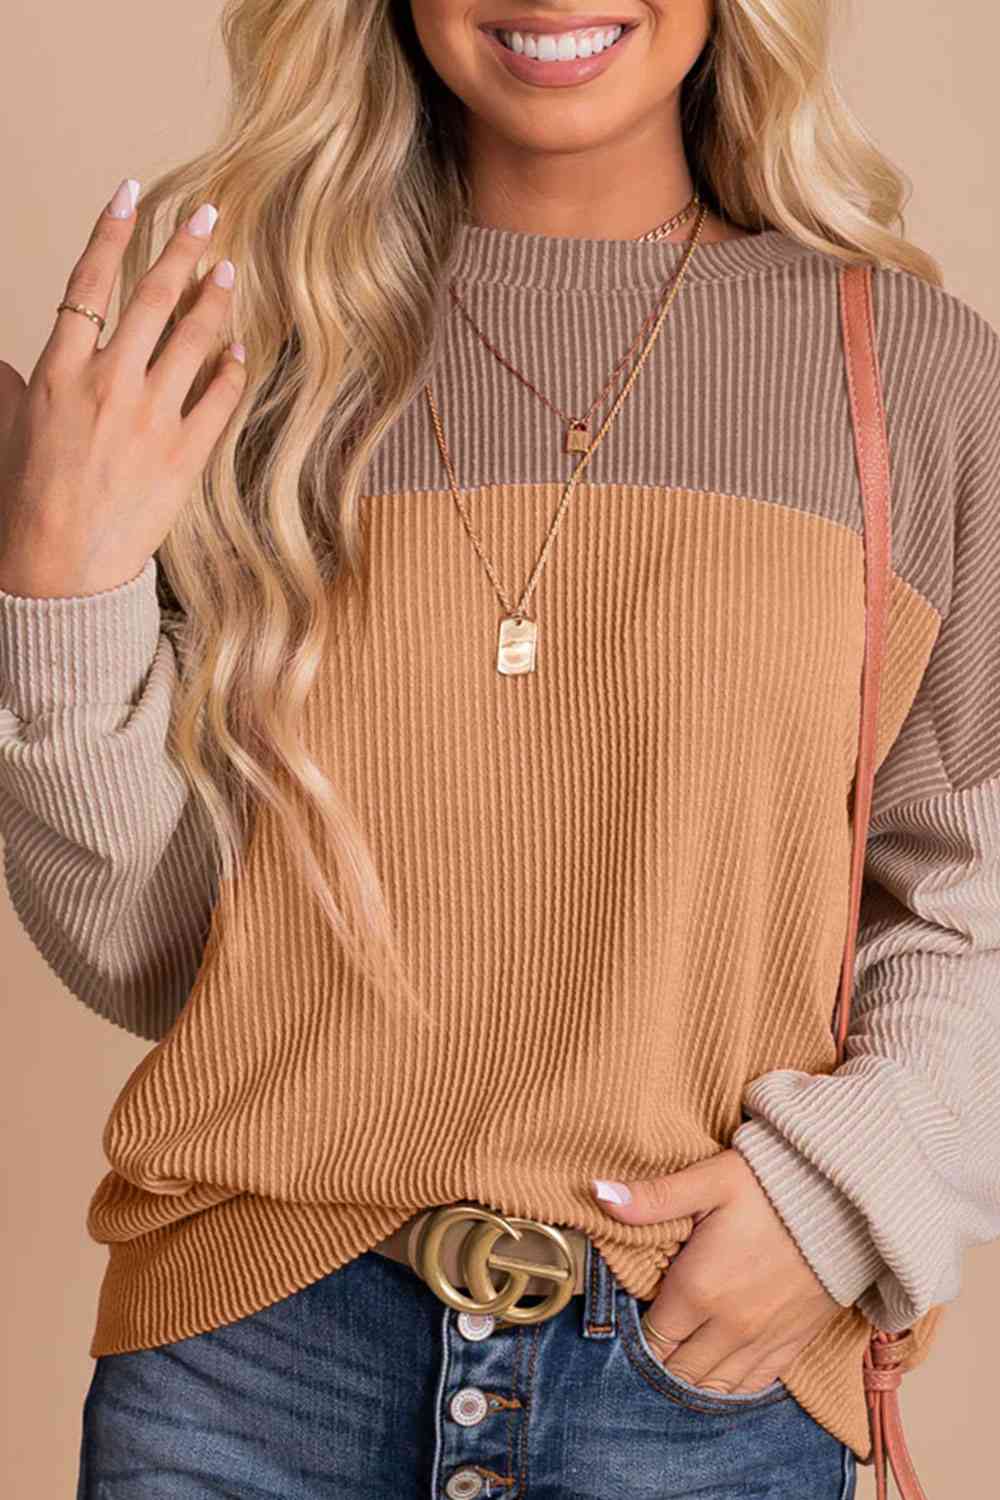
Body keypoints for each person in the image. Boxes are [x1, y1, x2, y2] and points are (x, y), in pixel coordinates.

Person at [1, 1, 998, 1496]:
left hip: (692, 1383)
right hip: (247, 1372)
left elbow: (975, 896)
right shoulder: (234, 355)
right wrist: (60, 596)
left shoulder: (906, 375)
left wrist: (842, 1195)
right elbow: (162, 955)